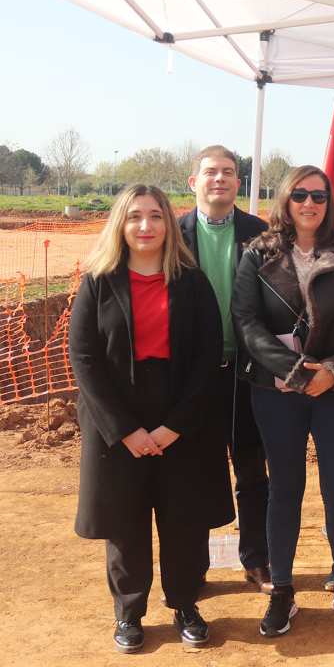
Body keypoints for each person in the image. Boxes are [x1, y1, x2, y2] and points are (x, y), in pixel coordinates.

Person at [71, 184, 230, 654]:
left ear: (169, 224)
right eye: (135, 216)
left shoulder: (192, 281)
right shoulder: (97, 281)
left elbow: (206, 358)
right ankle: (129, 611)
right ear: (120, 223)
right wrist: (124, 430)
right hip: (115, 425)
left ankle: (186, 604)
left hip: (182, 420)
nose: (146, 226)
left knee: (185, 520)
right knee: (125, 523)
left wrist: (174, 425)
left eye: (156, 216)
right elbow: (83, 358)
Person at [232, 165, 334, 637]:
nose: (309, 203)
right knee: (285, 490)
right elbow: (247, 322)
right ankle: (281, 589)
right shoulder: (256, 253)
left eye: (318, 195)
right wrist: (294, 374)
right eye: (299, 195)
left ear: (330, 202)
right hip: (277, 391)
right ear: (285, 200)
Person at [178, 145, 272, 594]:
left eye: (229, 173)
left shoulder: (258, 232)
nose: (220, 179)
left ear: (239, 183)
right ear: (193, 181)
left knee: (252, 468)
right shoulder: (172, 233)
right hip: (191, 377)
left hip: (246, 372)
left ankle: (258, 558)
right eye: (211, 172)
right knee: (194, 470)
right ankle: (193, 565)